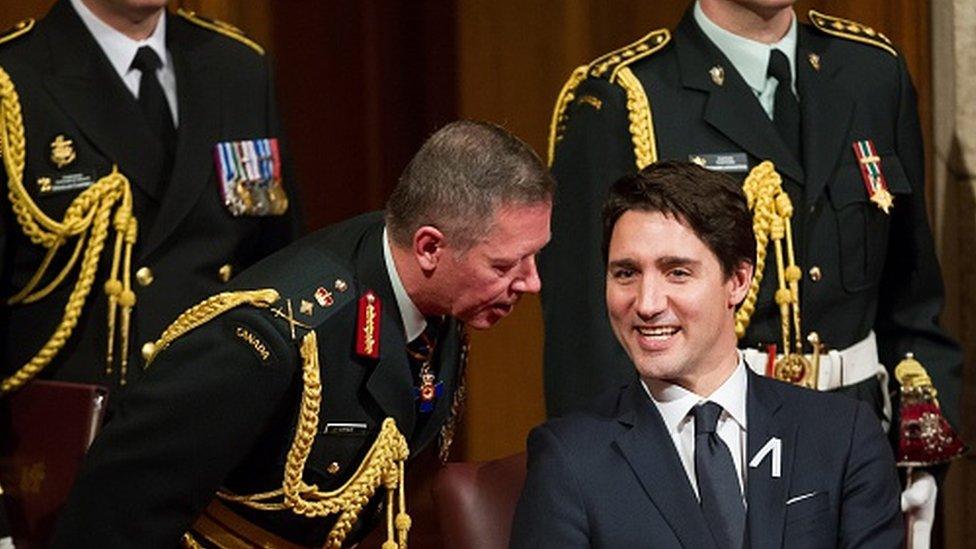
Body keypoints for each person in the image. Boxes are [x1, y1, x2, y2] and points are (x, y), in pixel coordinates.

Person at [51, 120, 553, 547]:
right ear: (428, 248)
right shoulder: (268, 340)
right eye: (507, 264)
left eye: (534, 257)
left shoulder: (435, 292)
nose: (531, 282)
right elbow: (111, 517)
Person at [511, 161, 902, 548]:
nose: (647, 304)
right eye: (626, 274)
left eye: (677, 272)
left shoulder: (842, 436)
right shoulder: (569, 459)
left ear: (738, 281)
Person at [0, 0, 301, 396]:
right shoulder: (14, 77)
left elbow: (280, 262)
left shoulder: (237, 66)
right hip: (83, 428)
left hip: (219, 407)